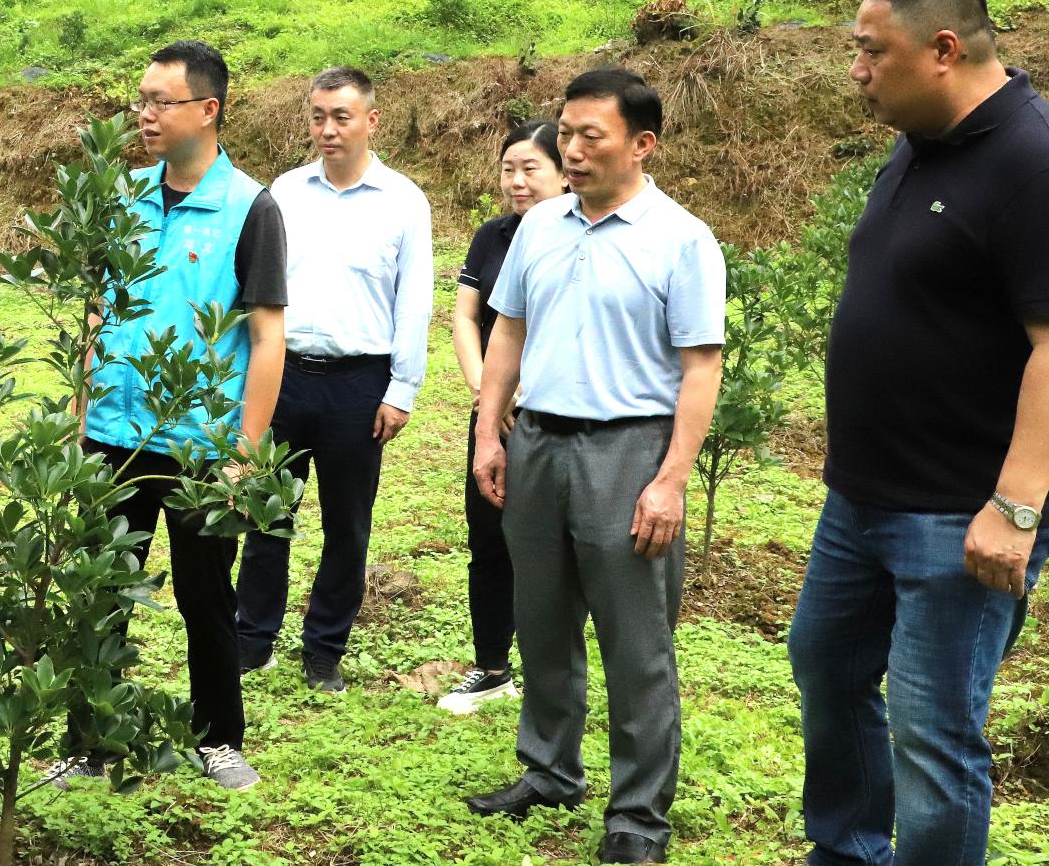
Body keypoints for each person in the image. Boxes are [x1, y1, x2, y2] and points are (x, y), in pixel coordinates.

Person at [788, 0, 1049, 866]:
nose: (855, 70)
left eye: (868, 51)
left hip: (959, 513)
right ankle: (848, 850)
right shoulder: (918, 139)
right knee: (828, 668)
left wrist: (1013, 509)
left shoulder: (1041, 162)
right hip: (861, 499)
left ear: (940, 48)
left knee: (934, 736)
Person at [463, 69, 725, 866]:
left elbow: (701, 367)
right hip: (536, 444)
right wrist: (488, 433)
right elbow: (506, 332)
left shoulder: (682, 239)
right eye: (564, 134)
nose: (569, 151)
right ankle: (549, 771)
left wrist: (672, 477)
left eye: (589, 137)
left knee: (635, 641)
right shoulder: (541, 228)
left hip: (628, 451)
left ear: (642, 144)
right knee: (540, 619)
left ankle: (639, 816)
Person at [52, 39, 287, 793]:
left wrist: (245, 453)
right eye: (142, 100)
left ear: (207, 110)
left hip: (201, 443)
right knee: (99, 592)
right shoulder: (121, 197)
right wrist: (81, 416)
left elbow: (267, 335)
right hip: (113, 438)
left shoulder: (252, 207)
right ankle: (86, 742)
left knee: (205, 597)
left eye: (161, 102)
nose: (144, 114)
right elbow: (96, 309)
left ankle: (217, 738)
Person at [235, 67, 432, 692]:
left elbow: (414, 300)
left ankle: (324, 649)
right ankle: (252, 638)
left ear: (371, 121)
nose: (327, 129)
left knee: (348, 525)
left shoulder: (403, 200)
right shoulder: (283, 193)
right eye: (318, 115)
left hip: (359, 384)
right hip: (283, 375)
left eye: (341, 116)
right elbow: (255, 293)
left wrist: (402, 388)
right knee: (267, 515)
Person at [438, 118, 566, 715]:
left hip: (555, 412)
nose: (517, 181)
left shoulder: (576, 234)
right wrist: (487, 390)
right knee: (488, 540)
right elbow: (467, 318)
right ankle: (492, 667)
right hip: (495, 411)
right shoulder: (493, 235)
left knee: (554, 548)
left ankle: (555, 674)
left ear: (564, 172)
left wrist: (525, 390)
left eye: (530, 168)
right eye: (508, 168)